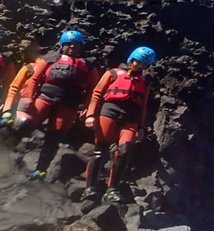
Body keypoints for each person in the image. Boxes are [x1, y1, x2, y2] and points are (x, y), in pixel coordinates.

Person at [10, 30, 99, 181]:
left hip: (68, 106)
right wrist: (28, 98)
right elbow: (34, 79)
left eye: (76, 45)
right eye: (69, 44)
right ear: (62, 45)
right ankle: (8, 156)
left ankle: (40, 171)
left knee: (53, 138)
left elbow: (93, 91)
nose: (72, 47)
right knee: (24, 126)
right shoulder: (49, 59)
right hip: (45, 99)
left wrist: (88, 109)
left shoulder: (90, 67)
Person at [82, 45, 156, 202]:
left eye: (143, 64)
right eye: (137, 61)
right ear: (131, 59)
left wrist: (141, 128)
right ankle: (89, 188)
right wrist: (90, 115)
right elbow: (96, 94)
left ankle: (113, 190)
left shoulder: (145, 82)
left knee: (124, 151)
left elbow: (143, 106)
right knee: (100, 150)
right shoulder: (113, 73)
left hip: (131, 119)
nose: (138, 65)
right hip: (109, 112)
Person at [0, 39, 42, 129]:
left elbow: (10, 86)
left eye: (24, 51)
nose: (22, 53)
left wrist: (6, 108)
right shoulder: (17, 64)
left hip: (24, 103)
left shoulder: (31, 67)